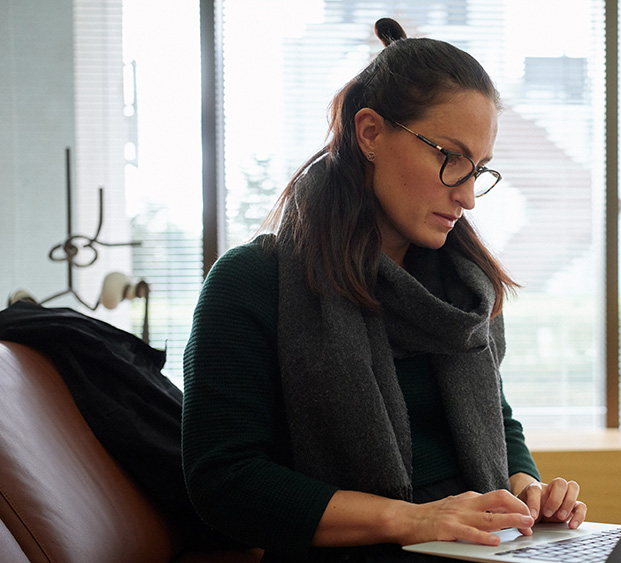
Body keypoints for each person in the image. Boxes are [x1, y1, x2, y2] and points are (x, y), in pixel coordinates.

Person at [181, 18, 586, 562]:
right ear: (370, 133)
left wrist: (525, 490)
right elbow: (225, 483)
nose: (468, 196)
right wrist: (413, 521)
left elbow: (497, 414)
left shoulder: (465, 288)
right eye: (450, 158)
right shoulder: (252, 282)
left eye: (479, 170)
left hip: (486, 547)